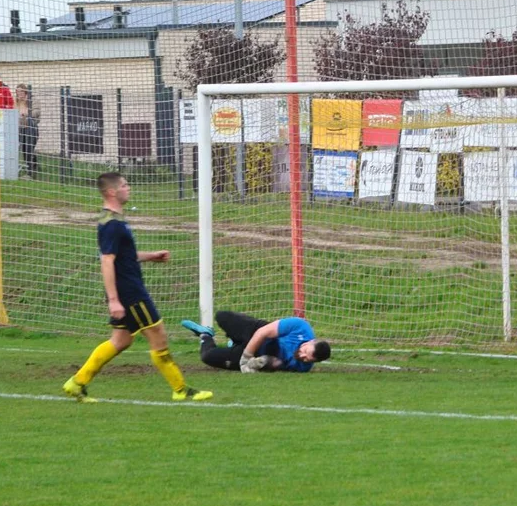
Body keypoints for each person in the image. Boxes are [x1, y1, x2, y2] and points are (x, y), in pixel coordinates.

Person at [63, 172, 213, 403]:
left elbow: (124, 256)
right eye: (124, 185)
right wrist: (114, 299)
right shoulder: (112, 225)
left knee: (121, 340)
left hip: (127, 289)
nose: (128, 187)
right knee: (158, 334)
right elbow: (107, 260)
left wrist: (150, 256)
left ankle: (77, 382)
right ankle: (180, 390)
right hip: (130, 292)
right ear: (112, 192)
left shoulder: (114, 221)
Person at [182, 312, 330, 373]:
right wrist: (245, 360)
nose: (302, 355)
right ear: (310, 341)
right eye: (305, 351)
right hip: (259, 333)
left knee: (207, 357)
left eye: (307, 358)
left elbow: (274, 364)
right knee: (222, 316)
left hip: (263, 352)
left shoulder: (302, 367)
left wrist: (264, 363)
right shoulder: (300, 326)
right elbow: (262, 332)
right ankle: (236, 342)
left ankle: (205, 334)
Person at [15, 84, 41, 177]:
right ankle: (31, 168)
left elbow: (37, 112)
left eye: (21, 91)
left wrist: (27, 113)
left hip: (31, 128)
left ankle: (30, 172)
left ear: (26, 92)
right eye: (17, 91)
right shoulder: (16, 102)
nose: (19, 94)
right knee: (24, 149)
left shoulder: (33, 100)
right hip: (20, 128)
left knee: (29, 149)